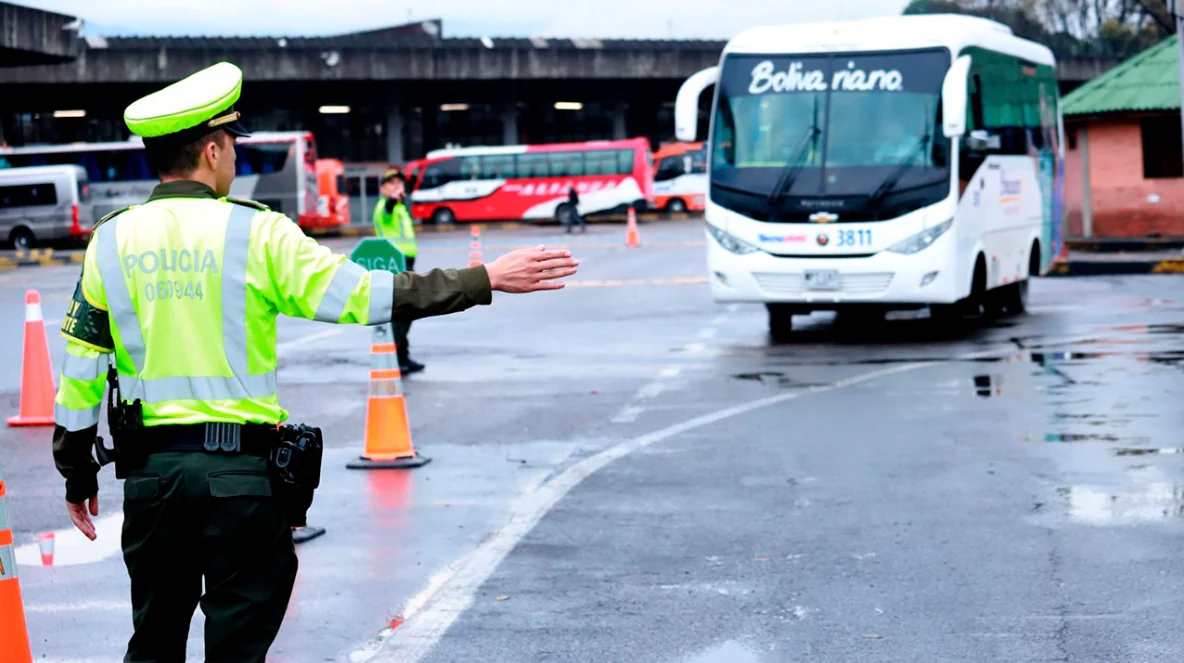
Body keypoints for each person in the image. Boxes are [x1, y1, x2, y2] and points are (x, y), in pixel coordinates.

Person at [49, 61, 578, 663]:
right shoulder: (258, 234)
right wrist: (483, 279)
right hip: (240, 483)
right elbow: (367, 295)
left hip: (151, 482)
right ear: (215, 150)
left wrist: (76, 470)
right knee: (238, 650)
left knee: (154, 644)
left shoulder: (110, 241)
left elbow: (81, 368)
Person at [372, 168, 422, 373]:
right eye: (391, 184)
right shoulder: (386, 206)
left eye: (399, 184)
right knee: (402, 313)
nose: (396, 187)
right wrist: (393, 199)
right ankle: (393, 359)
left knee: (405, 312)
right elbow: (387, 211)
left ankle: (403, 357)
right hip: (396, 265)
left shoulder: (400, 207)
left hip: (404, 263)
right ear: (383, 189)